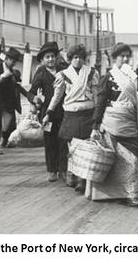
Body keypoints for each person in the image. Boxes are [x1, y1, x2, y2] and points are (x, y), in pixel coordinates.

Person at [87, 42, 138, 207]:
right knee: (116, 162)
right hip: (111, 124)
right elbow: (101, 103)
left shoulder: (135, 76)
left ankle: (132, 193)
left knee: (134, 161)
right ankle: (115, 194)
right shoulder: (108, 78)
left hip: (130, 124)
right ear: (114, 58)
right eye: (121, 56)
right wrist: (95, 126)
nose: (124, 59)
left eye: (127, 56)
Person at [43, 44, 100, 193]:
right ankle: (72, 173)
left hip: (87, 113)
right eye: (75, 57)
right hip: (71, 114)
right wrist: (49, 112)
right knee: (72, 147)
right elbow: (57, 96)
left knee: (85, 147)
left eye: (81, 58)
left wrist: (99, 114)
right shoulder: (62, 75)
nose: (78, 60)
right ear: (69, 59)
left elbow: (96, 94)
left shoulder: (91, 73)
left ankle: (82, 178)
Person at [28, 42, 68, 182]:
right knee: (50, 142)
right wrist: (35, 98)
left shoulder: (64, 70)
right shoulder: (40, 73)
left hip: (63, 112)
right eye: (47, 57)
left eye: (52, 56)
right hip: (47, 115)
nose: (50, 59)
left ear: (56, 57)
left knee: (63, 141)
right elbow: (31, 92)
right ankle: (52, 170)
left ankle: (63, 170)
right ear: (42, 60)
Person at [0, 47, 26, 154]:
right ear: (6, 59)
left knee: (10, 122)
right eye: (12, 61)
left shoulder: (11, 72)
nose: (13, 64)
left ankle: (5, 141)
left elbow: (15, 86)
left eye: (15, 62)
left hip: (8, 101)